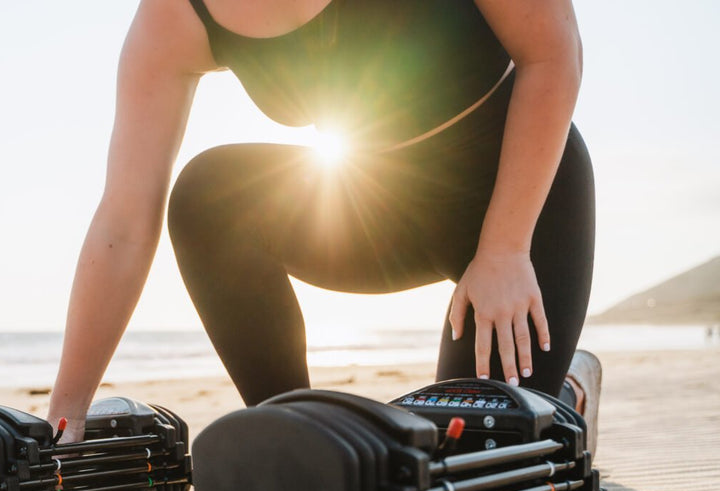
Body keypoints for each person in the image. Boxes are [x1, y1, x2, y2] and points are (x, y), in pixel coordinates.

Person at [46, 0, 599, 453]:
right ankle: (298, 444)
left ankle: (564, 393)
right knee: (208, 197)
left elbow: (554, 52)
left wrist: (504, 248)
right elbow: (123, 220)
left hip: (519, 204)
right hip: (373, 207)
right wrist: (64, 418)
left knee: (460, 468)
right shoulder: (176, 16)